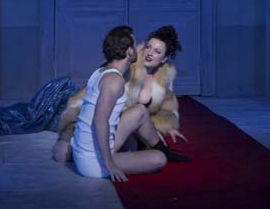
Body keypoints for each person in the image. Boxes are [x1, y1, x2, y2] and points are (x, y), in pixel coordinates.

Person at [56, 25, 188, 181]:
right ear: (129, 51)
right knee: (159, 159)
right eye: (138, 45)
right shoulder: (116, 80)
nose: (143, 50)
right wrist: (109, 163)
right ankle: (84, 154)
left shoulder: (101, 72)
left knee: (139, 112)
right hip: (93, 160)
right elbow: (100, 121)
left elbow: (163, 105)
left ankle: (75, 151)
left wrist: (167, 124)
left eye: (157, 51)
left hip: (91, 145)